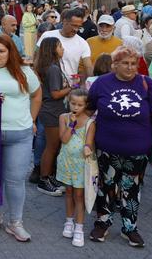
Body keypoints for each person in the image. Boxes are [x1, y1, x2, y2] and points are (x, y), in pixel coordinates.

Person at [86, 46, 152, 247]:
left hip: (137, 149)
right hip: (107, 147)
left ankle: (129, 227)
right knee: (106, 187)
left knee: (131, 189)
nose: (130, 67)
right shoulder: (102, 83)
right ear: (115, 65)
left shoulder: (146, 83)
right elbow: (89, 110)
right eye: (125, 63)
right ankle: (103, 222)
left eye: (134, 63)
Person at [0, 34, 42, 242]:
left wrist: (31, 119)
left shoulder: (24, 71)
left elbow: (37, 95)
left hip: (19, 134)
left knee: (15, 180)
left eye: (1, 51)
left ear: (10, 52)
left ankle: (16, 223)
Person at [33, 36, 72, 197]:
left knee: (54, 146)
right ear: (52, 50)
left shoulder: (50, 66)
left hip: (52, 110)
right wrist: (71, 87)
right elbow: (55, 94)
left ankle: (49, 176)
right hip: (52, 111)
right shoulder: (53, 68)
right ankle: (43, 180)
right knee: (52, 147)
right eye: (60, 46)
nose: (63, 49)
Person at [56, 89, 93, 248]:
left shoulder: (90, 122)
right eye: (73, 103)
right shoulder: (63, 118)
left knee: (79, 195)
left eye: (80, 105)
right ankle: (69, 221)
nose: (76, 107)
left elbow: (89, 142)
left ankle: (79, 227)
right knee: (69, 192)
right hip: (66, 161)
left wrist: (87, 147)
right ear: (68, 102)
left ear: (85, 105)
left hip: (80, 164)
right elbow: (64, 139)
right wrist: (71, 124)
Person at [37, 8, 93, 85]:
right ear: (64, 21)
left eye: (79, 27)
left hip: (69, 89)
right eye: (73, 25)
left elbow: (88, 68)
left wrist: (89, 84)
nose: (76, 29)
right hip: (45, 87)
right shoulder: (47, 35)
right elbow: (36, 58)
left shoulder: (82, 43)